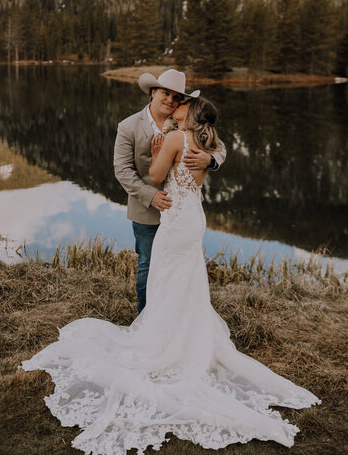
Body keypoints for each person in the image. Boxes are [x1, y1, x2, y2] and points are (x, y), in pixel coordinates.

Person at [21, 95, 320, 454]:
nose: (176, 105)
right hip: (192, 219)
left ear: (190, 113)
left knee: (165, 279)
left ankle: (163, 342)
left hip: (175, 221)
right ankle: (178, 335)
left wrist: (162, 147)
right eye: (172, 99)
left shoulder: (181, 138)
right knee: (186, 282)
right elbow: (147, 172)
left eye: (182, 103)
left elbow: (156, 175)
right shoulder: (198, 137)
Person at [113, 68, 226, 313]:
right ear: (153, 93)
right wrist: (150, 196)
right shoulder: (129, 126)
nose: (171, 101)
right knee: (148, 266)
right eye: (166, 94)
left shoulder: (187, 121)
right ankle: (146, 318)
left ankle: (174, 319)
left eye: (177, 97)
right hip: (148, 210)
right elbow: (122, 170)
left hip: (181, 212)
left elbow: (220, 146)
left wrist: (211, 161)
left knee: (178, 268)